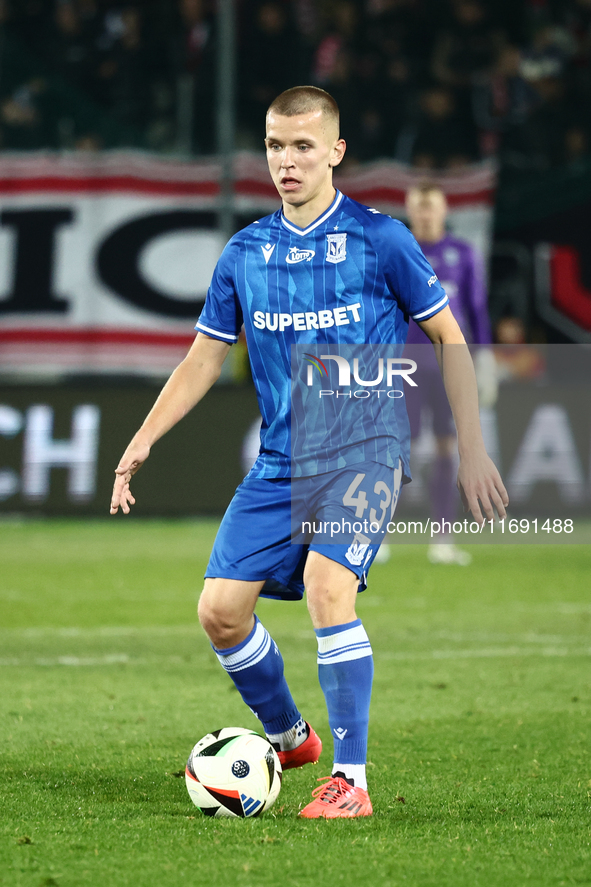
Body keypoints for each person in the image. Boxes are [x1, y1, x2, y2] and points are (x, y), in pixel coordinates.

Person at [110, 86, 508, 819]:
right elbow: (203, 356)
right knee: (220, 613)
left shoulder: (380, 239)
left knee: (329, 589)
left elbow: (449, 336)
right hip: (280, 460)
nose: (285, 161)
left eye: (301, 146)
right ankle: (291, 737)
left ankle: (350, 782)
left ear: (334, 151)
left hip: (366, 448)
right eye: (272, 145)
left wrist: (474, 446)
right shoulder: (245, 253)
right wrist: (141, 439)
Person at [405, 182, 493, 565]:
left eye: (432, 208)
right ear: (410, 211)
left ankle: (442, 536)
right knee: (395, 450)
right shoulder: (399, 251)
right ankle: (379, 537)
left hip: (448, 367)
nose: (425, 215)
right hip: (401, 365)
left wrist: (485, 359)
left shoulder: (463, 254)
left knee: (446, 448)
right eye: (419, 208)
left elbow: (476, 308)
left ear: (443, 212)